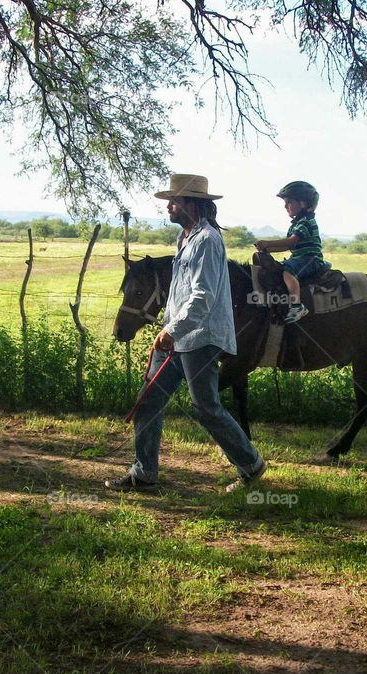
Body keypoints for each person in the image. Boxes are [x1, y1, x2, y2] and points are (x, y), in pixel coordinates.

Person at [107, 173, 267, 493]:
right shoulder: (185, 239)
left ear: (192, 204)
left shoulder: (207, 240)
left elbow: (203, 296)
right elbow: (179, 294)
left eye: (174, 201)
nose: (169, 207)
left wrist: (173, 330)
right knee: (148, 400)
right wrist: (168, 329)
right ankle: (144, 473)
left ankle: (251, 466)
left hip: (200, 337)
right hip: (176, 336)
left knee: (206, 408)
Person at [255, 181, 328, 323]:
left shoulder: (306, 222)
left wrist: (268, 243)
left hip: (310, 258)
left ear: (303, 203)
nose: (285, 206)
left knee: (288, 272)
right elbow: (286, 247)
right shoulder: (297, 224)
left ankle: (296, 306)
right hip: (300, 257)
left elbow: (290, 242)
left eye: (289, 202)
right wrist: (267, 249)